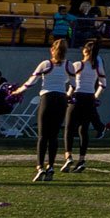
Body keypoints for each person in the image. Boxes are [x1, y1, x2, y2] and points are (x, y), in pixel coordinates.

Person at [16, 39, 73, 182]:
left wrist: (18, 91)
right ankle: (51, 166)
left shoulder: (46, 64)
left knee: (42, 136)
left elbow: (31, 81)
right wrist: (67, 95)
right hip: (61, 99)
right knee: (53, 136)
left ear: (52, 50)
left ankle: (40, 166)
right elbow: (74, 84)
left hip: (47, 98)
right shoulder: (69, 65)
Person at [62, 42, 105, 173]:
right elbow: (103, 84)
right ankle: (81, 159)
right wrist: (95, 97)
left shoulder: (77, 65)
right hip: (89, 98)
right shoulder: (97, 67)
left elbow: (71, 83)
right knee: (83, 130)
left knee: (69, 128)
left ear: (86, 52)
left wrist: (68, 96)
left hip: (77, 97)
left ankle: (68, 155)